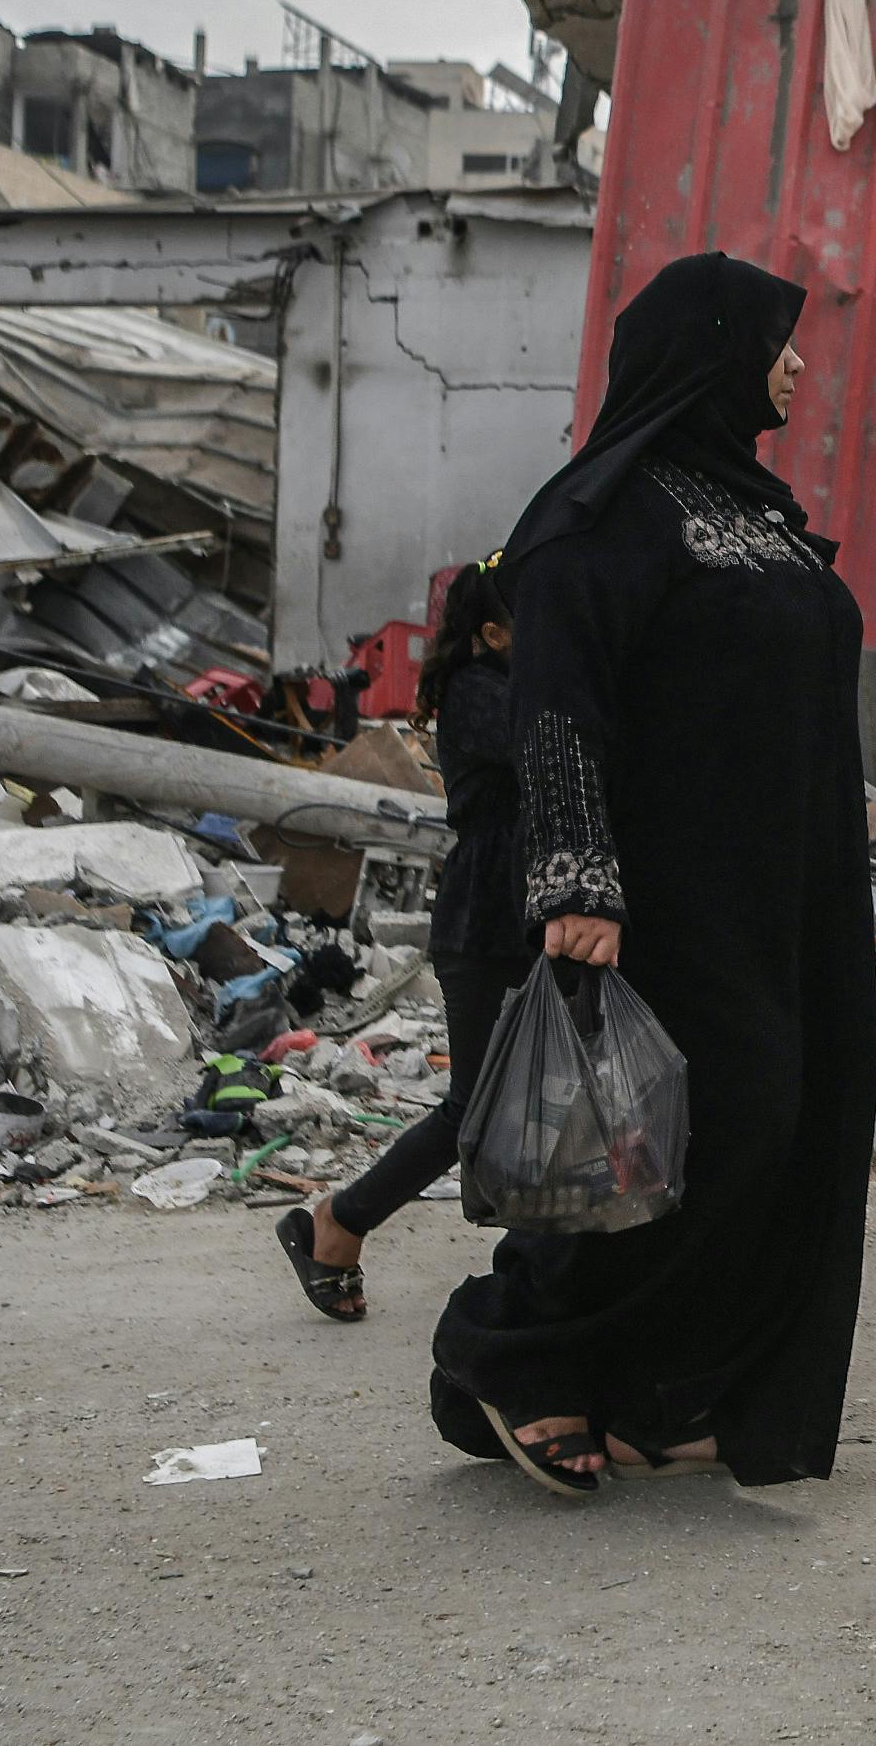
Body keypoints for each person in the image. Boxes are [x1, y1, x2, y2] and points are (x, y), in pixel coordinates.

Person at [426, 251, 875, 1498]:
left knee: (788, 1131)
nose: (795, 363)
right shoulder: (596, 521)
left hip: (792, 889)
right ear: (713, 351)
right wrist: (576, 883)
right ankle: (515, 1355)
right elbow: (557, 709)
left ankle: (667, 1384)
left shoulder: (759, 513)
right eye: (778, 340)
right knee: (666, 1140)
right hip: (666, 894)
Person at [275, 555, 527, 1321]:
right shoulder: (480, 697)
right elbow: (553, 748)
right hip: (487, 921)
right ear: (492, 634)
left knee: (542, 1102)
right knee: (476, 1107)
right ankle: (339, 1221)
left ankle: (555, 1271)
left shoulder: (518, 687)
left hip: (538, 914)